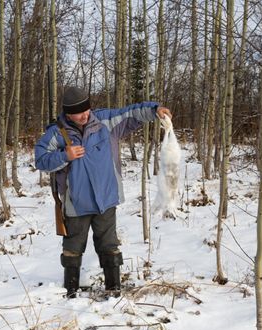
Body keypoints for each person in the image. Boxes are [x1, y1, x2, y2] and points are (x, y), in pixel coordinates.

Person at [35, 86, 172, 298]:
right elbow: (41, 160)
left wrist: (155, 110)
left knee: (109, 245)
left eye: (87, 109)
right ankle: (70, 290)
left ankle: (113, 289)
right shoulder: (56, 133)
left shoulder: (105, 122)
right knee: (72, 247)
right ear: (68, 113)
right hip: (76, 202)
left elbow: (131, 112)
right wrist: (64, 155)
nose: (85, 115)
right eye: (79, 112)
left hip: (106, 199)